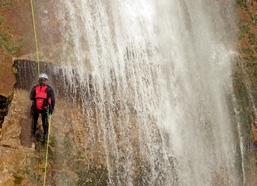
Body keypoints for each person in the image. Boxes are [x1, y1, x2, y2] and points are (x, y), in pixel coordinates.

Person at [30, 73, 55, 142]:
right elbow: (52, 100)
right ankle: (41, 134)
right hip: (40, 107)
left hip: (40, 107)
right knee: (40, 121)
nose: (43, 81)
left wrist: (51, 108)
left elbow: (31, 97)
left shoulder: (36, 88)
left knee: (39, 121)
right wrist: (51, 108)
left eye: (43, 80)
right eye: (43, 80)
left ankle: (38, 135)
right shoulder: (48, 89)